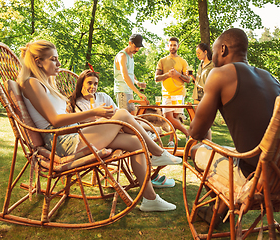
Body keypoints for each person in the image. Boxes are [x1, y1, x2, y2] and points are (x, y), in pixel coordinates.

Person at [16, 40, 182, 212]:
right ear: (37, 61)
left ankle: (150, 199)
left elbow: (62, 118)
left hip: (73, 133)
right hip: (62, 142)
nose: (58, 63)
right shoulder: (32, 83)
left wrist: (96, 120)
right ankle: (157, 153)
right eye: (53, 59)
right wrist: (94, 114)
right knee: (123, 114)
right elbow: (55, 120)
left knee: (136, 142)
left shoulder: (46, 84)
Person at [189, 28, 280, 225]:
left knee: (195, 149)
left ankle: (217, 210)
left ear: (222, 49)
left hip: (254, 176)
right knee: (231, 152)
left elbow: (196, 132)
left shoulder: (220, 74)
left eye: (213, 51)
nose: (213, 56)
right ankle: (217, 211)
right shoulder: (272, 79)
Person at [69, 68, 176, 188]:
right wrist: (92, 101)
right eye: (89, 83)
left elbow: (117, 112)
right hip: (99, 136)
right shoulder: (78, 103)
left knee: (129, 124)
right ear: (81, 84)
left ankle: (150, 173)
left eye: (96, 83)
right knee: (128, 122)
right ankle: (154, 138)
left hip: (116, 127)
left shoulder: (103, 96)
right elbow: (91, 122)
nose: (93, 87)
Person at [155, 37, 191, 147]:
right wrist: (167, 75)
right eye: (170, 45)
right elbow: (156, 78)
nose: (172, 47)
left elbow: (188, 79)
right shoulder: (162, 61)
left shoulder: (183, 61)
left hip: (179, 93)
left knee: (174, 118)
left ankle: (171, 141)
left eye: (174, 45)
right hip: (166, 93)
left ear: (178, 46)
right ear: (168, 46)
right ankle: (187, 133)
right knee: (168, 117)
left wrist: (178, 75)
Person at [114, 34, 147, 115]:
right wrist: (138, 93)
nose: (137, 49)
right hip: (122, 91)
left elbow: (130, 72)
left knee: (133, 115)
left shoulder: (131, 55)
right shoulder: (122, 56)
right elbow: (125, 76)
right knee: (125, 118)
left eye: (139, 47)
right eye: (136, 46)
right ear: (130, 43)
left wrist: (136, 82)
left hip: (129, 91)